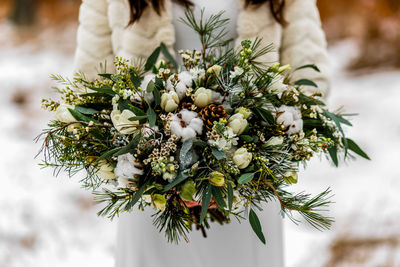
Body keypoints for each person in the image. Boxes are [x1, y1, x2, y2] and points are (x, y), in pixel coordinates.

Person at [73, 0, 330, 266]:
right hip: (152, 193)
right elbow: (90, 86)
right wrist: (157, 174)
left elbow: (310, 82)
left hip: (246, 190)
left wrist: (246, 168)